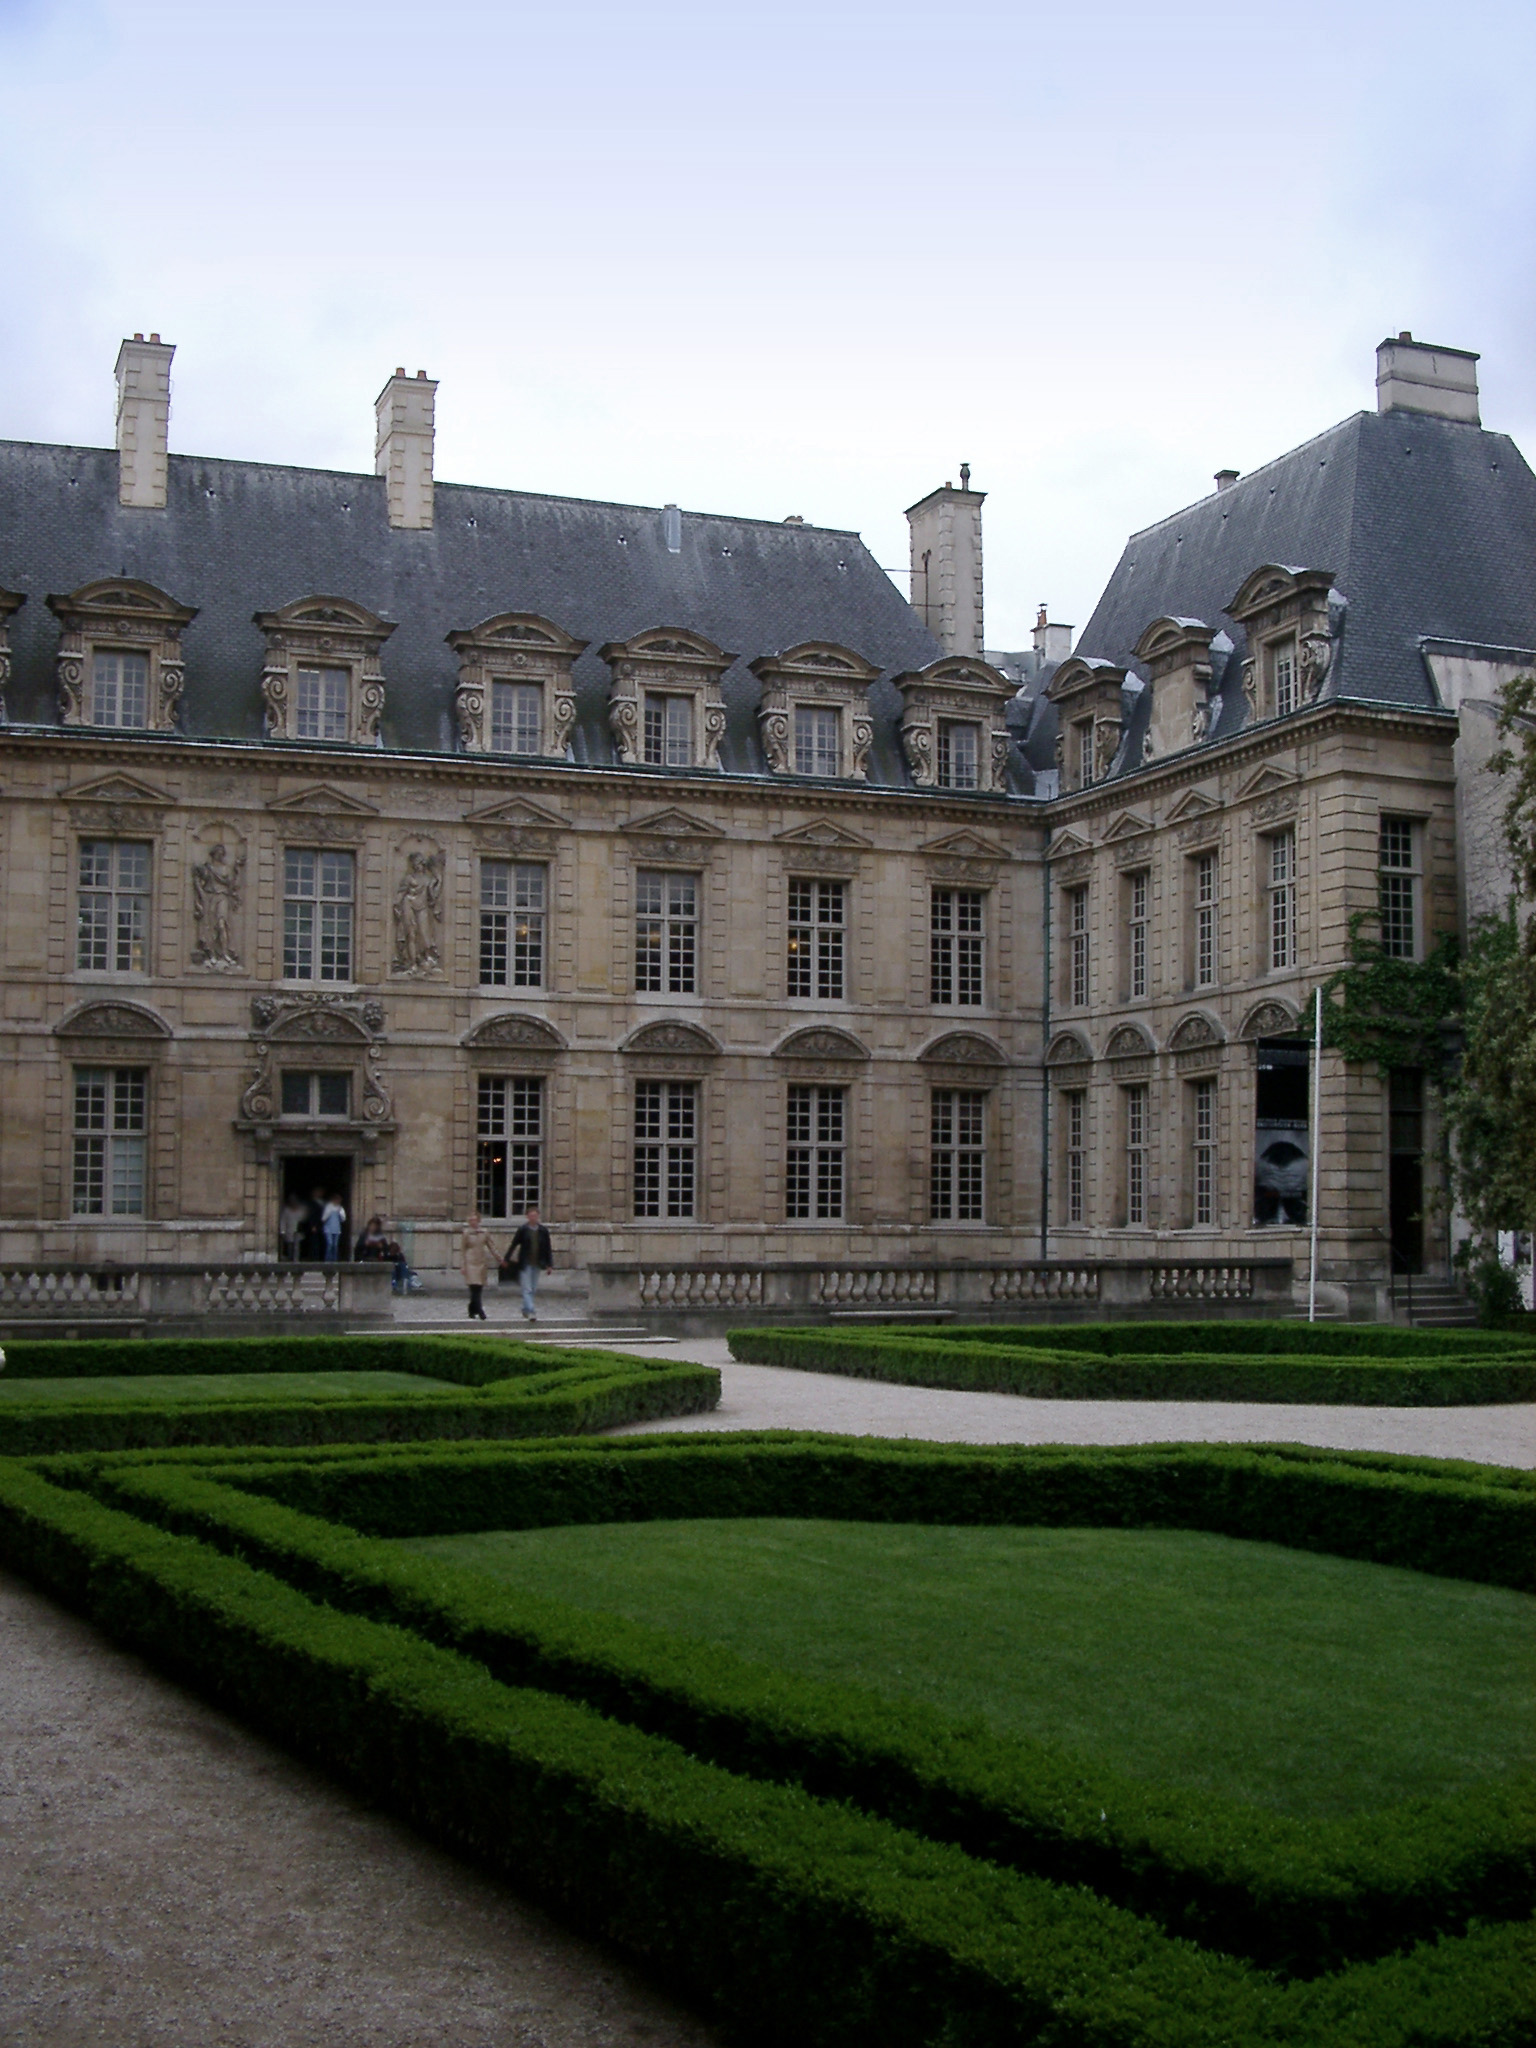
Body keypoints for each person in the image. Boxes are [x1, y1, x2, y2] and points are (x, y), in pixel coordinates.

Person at [504, 1203, 553, 1322]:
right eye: (531, 1216)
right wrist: (506, 1259)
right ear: (527, 1217)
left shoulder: (543, 1231)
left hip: (538, 1263)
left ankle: (525, 1309)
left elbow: (547, 1248)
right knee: (527, 1289)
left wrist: (549, 1264)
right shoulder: (523, 1230)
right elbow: (514, 1244)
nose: (533, 1218)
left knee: (533, 1288)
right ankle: (531, 1311)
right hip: (525, 1263)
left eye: (535, 1216)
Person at [460, 1211, 500, 1321]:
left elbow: (491, 1246)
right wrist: (463, 1265)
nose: (473, 1222)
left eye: (474, 1220)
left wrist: (499, 1257)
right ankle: (480, 1310)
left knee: (479, 1287)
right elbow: (463, 1249)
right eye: (471, 1220)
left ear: (478, 1220)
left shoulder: (484, 1232)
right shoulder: (466, 1233)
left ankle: (472, 1309)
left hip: (481, 1261)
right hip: (470, 1261)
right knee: (473, 1287)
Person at [277, 1194, 305, 1262]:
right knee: (290, 1247)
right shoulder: (286, 1211)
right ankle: (290, 1260)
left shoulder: (301, 1210)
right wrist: (282, 1231)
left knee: (297, 1247)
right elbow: (283, 1221)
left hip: (298, 1231)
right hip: (289, 1231)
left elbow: (303, 1220)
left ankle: (296, 1260)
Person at [320, 1192, 346, 1261]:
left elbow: (343, 1219)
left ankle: (334, 1260)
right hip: (328, 1229)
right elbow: (323, 1218)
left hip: (337, 1229)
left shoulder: (340, 1208)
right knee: (330, 1244)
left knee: (335, 1245)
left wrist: (340, 1212)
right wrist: (330, 1212)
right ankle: (327, 1260)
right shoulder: (328, 1207)